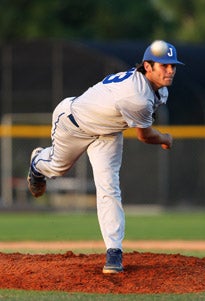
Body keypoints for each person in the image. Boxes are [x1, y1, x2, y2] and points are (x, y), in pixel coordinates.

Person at [27, 40, 184, 274]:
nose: (170, 70)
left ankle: (114, 252)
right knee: (58, 168)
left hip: (108, 134)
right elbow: (145, 136)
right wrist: (165, 138)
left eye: (173, 65)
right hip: (73, 123)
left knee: (109, 187)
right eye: (164, 65)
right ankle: (37, 163)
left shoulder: (159, 90)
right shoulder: (137, 96)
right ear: (147, 67)